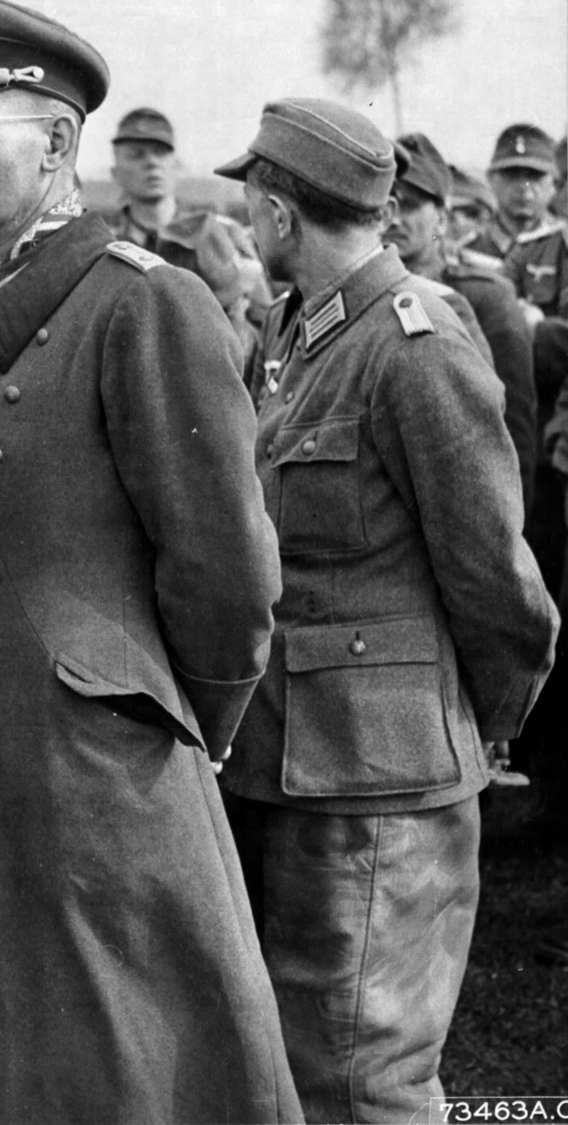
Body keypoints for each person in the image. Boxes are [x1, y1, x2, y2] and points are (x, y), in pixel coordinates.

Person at [0, 0, 299, 1124]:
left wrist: (169, 725)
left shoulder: (142, 304)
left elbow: (226, 572)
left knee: (106, 1074)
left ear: (61, 144)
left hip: (88, 785)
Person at [216, 98, 557, 1123]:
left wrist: (462, 726)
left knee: (365, 1079)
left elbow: (496, 581)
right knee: (288, 1063)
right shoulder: (296, 330)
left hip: (381, 789)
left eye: (252, 196)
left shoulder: (413, 341)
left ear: (278, 214)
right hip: (293, 767)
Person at [389, 131, 536, 512]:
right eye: (385, 202)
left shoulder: (485, 297)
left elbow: (514, 428)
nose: (393, 218)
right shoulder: (357, 294)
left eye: (410, 205)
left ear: (441, 214)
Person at [107, 105, 271, 355]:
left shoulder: (221, 234)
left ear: (177, 166)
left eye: (160, 153)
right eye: (136, 154)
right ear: (115, 174)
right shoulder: (107, 249)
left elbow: (267, 328)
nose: (151, 163)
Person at [471, 122, 562, 263]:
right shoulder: (467, 250)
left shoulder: (563, 249)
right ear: (490, 179)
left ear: (554, 183)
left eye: (534, 175)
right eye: (511, 174)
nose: (523, 186)